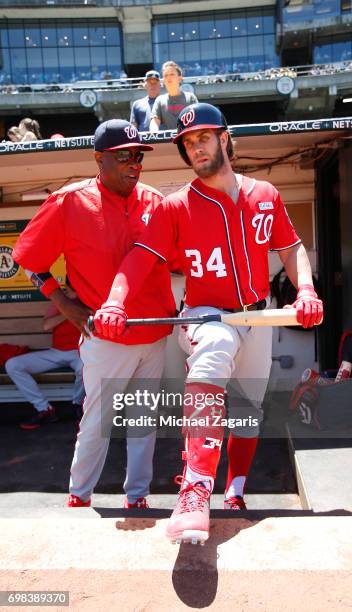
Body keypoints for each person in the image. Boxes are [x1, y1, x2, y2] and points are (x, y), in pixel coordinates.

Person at [93, 103, 324, 543]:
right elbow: (141, 258)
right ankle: (196, 486)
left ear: (224, 137)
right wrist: (114, 301)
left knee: (249, 413)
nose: (195, 147)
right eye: (187, 143)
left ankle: (235, 490)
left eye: (202, 137)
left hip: (257, 315)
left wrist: (307, 291)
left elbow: (291, 248)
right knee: (212, 355)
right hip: (206, 315)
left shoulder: (265, 194)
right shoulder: (176, 204)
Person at [13, 119, 176, 508]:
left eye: (138, 155)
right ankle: (79, 495)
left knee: (142, 423)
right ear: (99, 159)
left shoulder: (154, 201)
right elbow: (28, 259)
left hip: (153, 334)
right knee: (96, 422)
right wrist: (65, 305)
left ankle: (137, 496)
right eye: (124, 156)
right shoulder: (70, 200)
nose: (134, 163)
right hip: (105, 338)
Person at [5, 280, 84, 430]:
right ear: (66, 287)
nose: (73, 292)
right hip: (56, 352)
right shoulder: (60, 303)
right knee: (13, 365)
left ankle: (77, 404)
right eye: (71, 288)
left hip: (80, 352)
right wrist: (69, 311)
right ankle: (45, 409)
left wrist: (81, 308)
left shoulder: (89, 301)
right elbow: (46, 325)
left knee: (85, 367)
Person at [149, 61, 198, 132]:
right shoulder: (160, 100)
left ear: (180, 78)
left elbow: (197, 120)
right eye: (165, 75)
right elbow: (154, 122)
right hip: (169, 141)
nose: (168, 77)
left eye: (172, 74)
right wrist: (154, 133)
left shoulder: (190, 97)